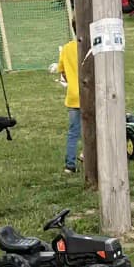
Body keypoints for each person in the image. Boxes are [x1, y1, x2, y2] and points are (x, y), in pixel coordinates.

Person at [54, 35, 80, 174]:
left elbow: (62, 72)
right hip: (90, 95)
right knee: (96, 128)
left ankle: (70, 165)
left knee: (73, 132)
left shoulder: (66, 48)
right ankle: (89, 155)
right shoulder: (91, 47)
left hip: (72, 95)